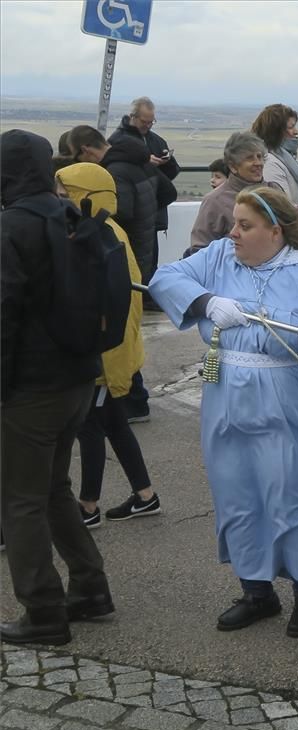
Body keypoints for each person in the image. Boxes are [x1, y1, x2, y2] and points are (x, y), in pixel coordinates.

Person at [148, 186, 298, 638]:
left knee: (294, 491)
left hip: (288, 396)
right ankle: (256, 591)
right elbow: (165, 277)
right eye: (234, 223)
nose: (233, 232)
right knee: (237, 492)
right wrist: (205, 302)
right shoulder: (220, 257)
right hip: (226, 393)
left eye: (245, 225)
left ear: (275, 230)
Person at [1, 130, 113, 646]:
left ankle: (43, 612)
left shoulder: (12, 227)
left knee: (19, 500)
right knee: (53, 489)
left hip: (30, 387)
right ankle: (89, 588)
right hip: (77, 376)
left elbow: (3, 316)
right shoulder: (70, 212)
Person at [55, 163, 161, 528]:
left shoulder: (100, 236)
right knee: (114, 423)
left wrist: (102, 359)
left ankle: (88, 507)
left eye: (65, 193)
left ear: (85, 196)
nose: (59, 200)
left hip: (104, 355)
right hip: (113, 351)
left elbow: (110, 306)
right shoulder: (108, 230)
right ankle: (145, 496)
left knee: (90, 427)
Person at [68, 124, 175, 424]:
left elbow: (120, 209)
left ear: (85, 151)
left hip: (117, 249)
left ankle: (132, 402)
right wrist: (149, 218)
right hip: (139, 247)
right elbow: (169, 190)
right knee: (126, 326)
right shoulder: (139, 161)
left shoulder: (112, 173)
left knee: (117, 327)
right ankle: (130, 402)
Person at [109, 97, 181, 286]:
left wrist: (167, 162)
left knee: (150, 258)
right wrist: (144, 163)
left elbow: (172, 172)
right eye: (144, 122)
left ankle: (148, 292)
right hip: (133, 212)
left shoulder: (155, 140)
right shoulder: (118, 141)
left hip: (153, 210)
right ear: (132, 117)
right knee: (133, 258)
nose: (148, 126)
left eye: (151, 122)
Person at [188, 131, 267, 255]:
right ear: (233, 166)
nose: (258, 163)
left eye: (260, 156)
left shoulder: (275, 192)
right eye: (249, 158)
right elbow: (200, 250)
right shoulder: (215, 200)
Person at [251, 103, 298, 207]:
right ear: (275, 132)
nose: (296, 132)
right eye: (291, 127)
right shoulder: (269, 163)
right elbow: (283, 207)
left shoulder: (286, 158)